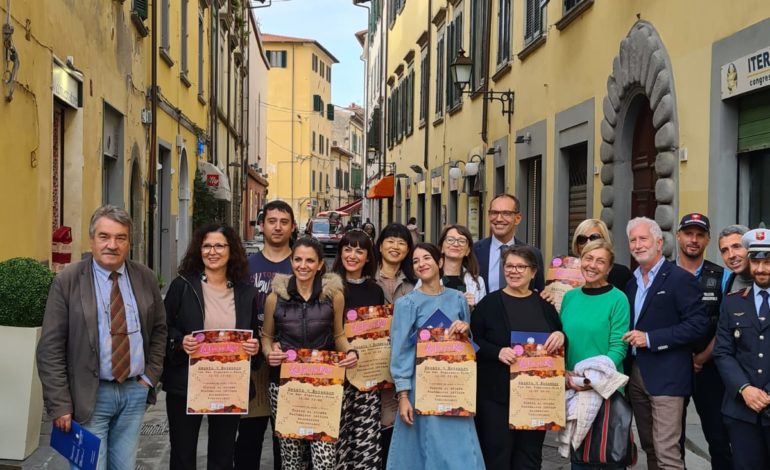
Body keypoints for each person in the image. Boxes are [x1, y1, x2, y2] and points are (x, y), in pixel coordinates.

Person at [37, 205, 167, 470]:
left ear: (129, 242)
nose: (112, 245)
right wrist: (60, 403)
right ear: (92, 240)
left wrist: (149, 377)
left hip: (134, 392)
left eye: (120, 238)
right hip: (90, 396)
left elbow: (159, 330)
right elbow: (50, 348)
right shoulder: (69, 281)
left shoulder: (144, 277)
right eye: (104, 237)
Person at [162, 224, 261, 470]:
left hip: (228, 385)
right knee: (183, 456)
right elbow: (163, 330)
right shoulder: (182, 286)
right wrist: (179, 341)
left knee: (223, 455)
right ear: (199, 249)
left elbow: (253, 336)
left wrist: (254, 348)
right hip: (186, 385)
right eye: (207, 246)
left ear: (231, 250)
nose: (212, 251)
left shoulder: (246, 292)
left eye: (219, 245)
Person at [261, 237, 359, 470]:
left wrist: (351, 352)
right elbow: (266, 337)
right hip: (285, 385)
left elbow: (338, 335)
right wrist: (268, 352)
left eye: (309, 260)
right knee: (292, 458)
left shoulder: (333, 296)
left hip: (324, 386)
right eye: (298, 260)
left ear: (319, 265)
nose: (303, 265)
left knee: (324, 460)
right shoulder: (275, 297)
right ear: (291, 261)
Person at [387, 243, 486, 470]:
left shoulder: (458, 299)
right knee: (424, 451)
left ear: (440, 262)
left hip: (455, 388)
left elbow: (467, 348)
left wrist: (465, 330)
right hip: (421, 389)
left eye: (427, 258)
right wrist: (403, 396)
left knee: (461, 451)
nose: (422, 264)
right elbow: (400, 351)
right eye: (415, 261)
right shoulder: (406, 304)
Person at [622, 217, 709, 470]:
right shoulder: (631, 283)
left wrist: (650, 338)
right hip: (636, 374)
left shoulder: (680, 279)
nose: (637, 245)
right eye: (633, 240)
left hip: (669, 376)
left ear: (659, 243)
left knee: (667, 453)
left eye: (643, 239)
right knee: (649, 446)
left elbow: (698, 325)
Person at [471, 245, 565, 469]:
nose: (514, 271)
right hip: (496, 399)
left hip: (535, 398)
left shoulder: (545, 305)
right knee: (497, 457)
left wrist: (561, 336)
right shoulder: (489, 304)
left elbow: (559, 340)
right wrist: (497, 352)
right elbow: (472, 343)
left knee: (530, 458)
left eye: (521, 266)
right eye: (509, 266)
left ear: (533, 272)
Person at [236, 200, 296, 470]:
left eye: (284, 222)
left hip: (290, 362)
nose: (278, 227)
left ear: (293, 227)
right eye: (272, 221)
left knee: (287, 440)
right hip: (253, 364)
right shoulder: (245, 268)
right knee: (248, 439)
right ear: (261, 225)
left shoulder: (303, 264)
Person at [560, 239, 630, 470]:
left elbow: (618, 348)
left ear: (609, 268)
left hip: (605, 390)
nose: (592, 265)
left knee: (606, 457)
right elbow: (563, 342)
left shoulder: (618, 299)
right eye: (588, 258)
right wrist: (567, 376)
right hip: (572, 389)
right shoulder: (570, 297)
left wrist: (589, 380)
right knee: (579, 460)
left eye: (600, 261)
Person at [674, 213, 733, 470]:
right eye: (689, 233)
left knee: (718, 437)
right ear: (678, 236)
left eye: (700, 234)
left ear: (708, 239)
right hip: (672, 367)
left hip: (709, 368)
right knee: (671, 439)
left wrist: (702, 358)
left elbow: (725, 323)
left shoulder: (722, 276)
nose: (694, 240)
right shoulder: (664, 274)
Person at [714, 228, 770, 470]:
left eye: (768, 262)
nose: (760, 269)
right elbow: (723, 352)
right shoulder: (733, 300)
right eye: (756, 262)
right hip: (741, 411)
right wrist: (745, 389)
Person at [333, 229, 386, 470]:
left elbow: (380, 334)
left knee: (365, 441)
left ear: (368, 257)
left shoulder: (375, 290)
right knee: (337, 438)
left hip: (366, 374)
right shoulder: (328, 286)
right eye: (347, 248)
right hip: (336, 372)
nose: (352, 255)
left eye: (359, 250)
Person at [473, 193, 545, 293]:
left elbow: (539, 292)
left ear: (517, 219)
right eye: (494, 212)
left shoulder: (533, 254)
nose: (498, 219)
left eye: (506, 213)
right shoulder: (473, 251)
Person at [571, 218, 632, 291]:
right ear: (577, 245)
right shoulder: (566, 271)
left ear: (605, 241)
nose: (588, 243)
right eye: (582, 239)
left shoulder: (620, 274)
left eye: (594, 238)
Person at [438, 224, 486, 309]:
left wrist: (474, 307)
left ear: (467, 251)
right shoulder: (429, 276)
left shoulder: (478, 281)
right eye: (450, 240)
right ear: (442, 247)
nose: (456, 244)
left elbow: (483, 317)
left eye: (462, 241)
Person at [374, 223, 416, 304]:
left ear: (407, 250)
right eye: (391, 241)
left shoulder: (415, 281)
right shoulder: (368, 277)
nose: (395, 247)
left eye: (401, 243)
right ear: (380, 247)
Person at [719, 224, 751, 293]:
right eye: (725, 250)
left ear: (750, 247)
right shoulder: (729, 282)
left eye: (736, 247)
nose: (731, 255)